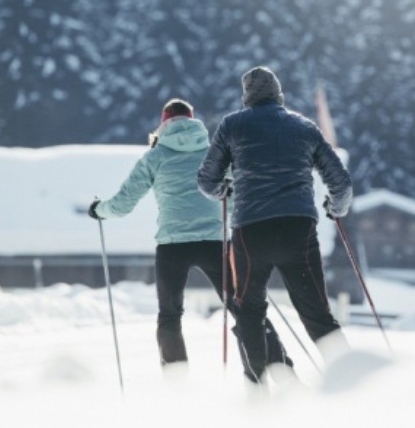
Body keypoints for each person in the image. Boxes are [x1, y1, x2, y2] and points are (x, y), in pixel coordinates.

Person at [87, 98, 293, 378]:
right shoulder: (215, 154)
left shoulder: (154, 157)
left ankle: (178, 384)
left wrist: (99, 209)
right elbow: (234, 198)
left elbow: (123, 204)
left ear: (163, 124)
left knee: (169, 316)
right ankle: (280, 370)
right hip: (216, 243)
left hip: (173, 246)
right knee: (246, 309)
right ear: (194, 122)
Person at [197, 66, 352, 384]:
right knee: (318, 315)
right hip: (298, 229)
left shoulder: (232, 125)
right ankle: (351, 382)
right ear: (278, 93)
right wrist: (335, 209)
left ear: (247, 97)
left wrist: (223, 190)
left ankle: (256, 388)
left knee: (249, 310)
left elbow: (206, 180)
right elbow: (341, 184)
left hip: (250, 232)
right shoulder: (305, 127)